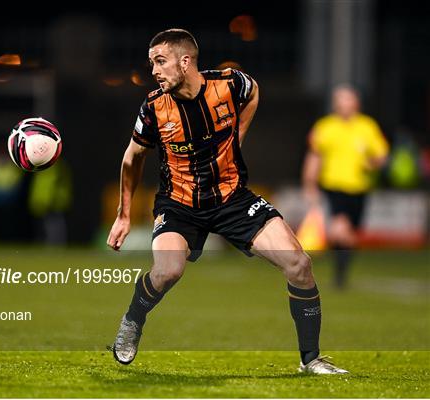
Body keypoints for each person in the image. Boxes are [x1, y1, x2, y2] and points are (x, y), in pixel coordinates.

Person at [107, 29, 348, 374]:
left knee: (299, 263)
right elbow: (132, 157)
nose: (154, 71)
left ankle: (310, 360)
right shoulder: (154, 108)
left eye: (160, 62)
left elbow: (254, 92)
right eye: (152, 64)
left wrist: (237, 137)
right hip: (179, 204)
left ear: (185, 61)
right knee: (168, 271)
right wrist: (124, 215)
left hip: (232, 199)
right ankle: (133, 318)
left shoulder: (229, 83)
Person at [302, 85, 389, 288]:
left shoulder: (368, 127)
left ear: (356, 103)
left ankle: (341, 271)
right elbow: (314, 157)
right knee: (339, 228)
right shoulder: (324, 127)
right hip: (334, 186)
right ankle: (339, 274)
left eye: (348, 100)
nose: (344, 104)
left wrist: (373, 163)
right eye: (340, 100)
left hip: (359, 188)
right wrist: (309, 184)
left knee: (351, 235)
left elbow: (381, 155)